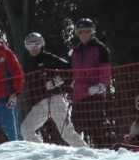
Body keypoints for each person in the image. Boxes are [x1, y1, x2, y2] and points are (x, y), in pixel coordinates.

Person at [20, 32, 87, 147]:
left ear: (42, 44)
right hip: (39, 104)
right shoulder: (25, 63)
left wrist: (56, 81)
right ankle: (42, 153)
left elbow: (69, 70)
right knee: (26, 129)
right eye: (30, 45)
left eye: (37, 44)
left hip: (55, 99)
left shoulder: (48, 57)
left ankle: (88, 153)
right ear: (26, 46)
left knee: (66, 132)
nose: (34, 48)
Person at [70, 18, 113, 148]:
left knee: (97, 128)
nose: (83, 34)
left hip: (94, 95)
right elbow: (72, 71)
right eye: (80, 31)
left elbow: (105, 71)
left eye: (86, 31)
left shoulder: (101, 49)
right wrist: (71, 84)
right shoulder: (75, 51)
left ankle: (104, 153)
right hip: (79, 95)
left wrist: (100, 86)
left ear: (92, 32)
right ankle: (79, 157)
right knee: (74, 128)